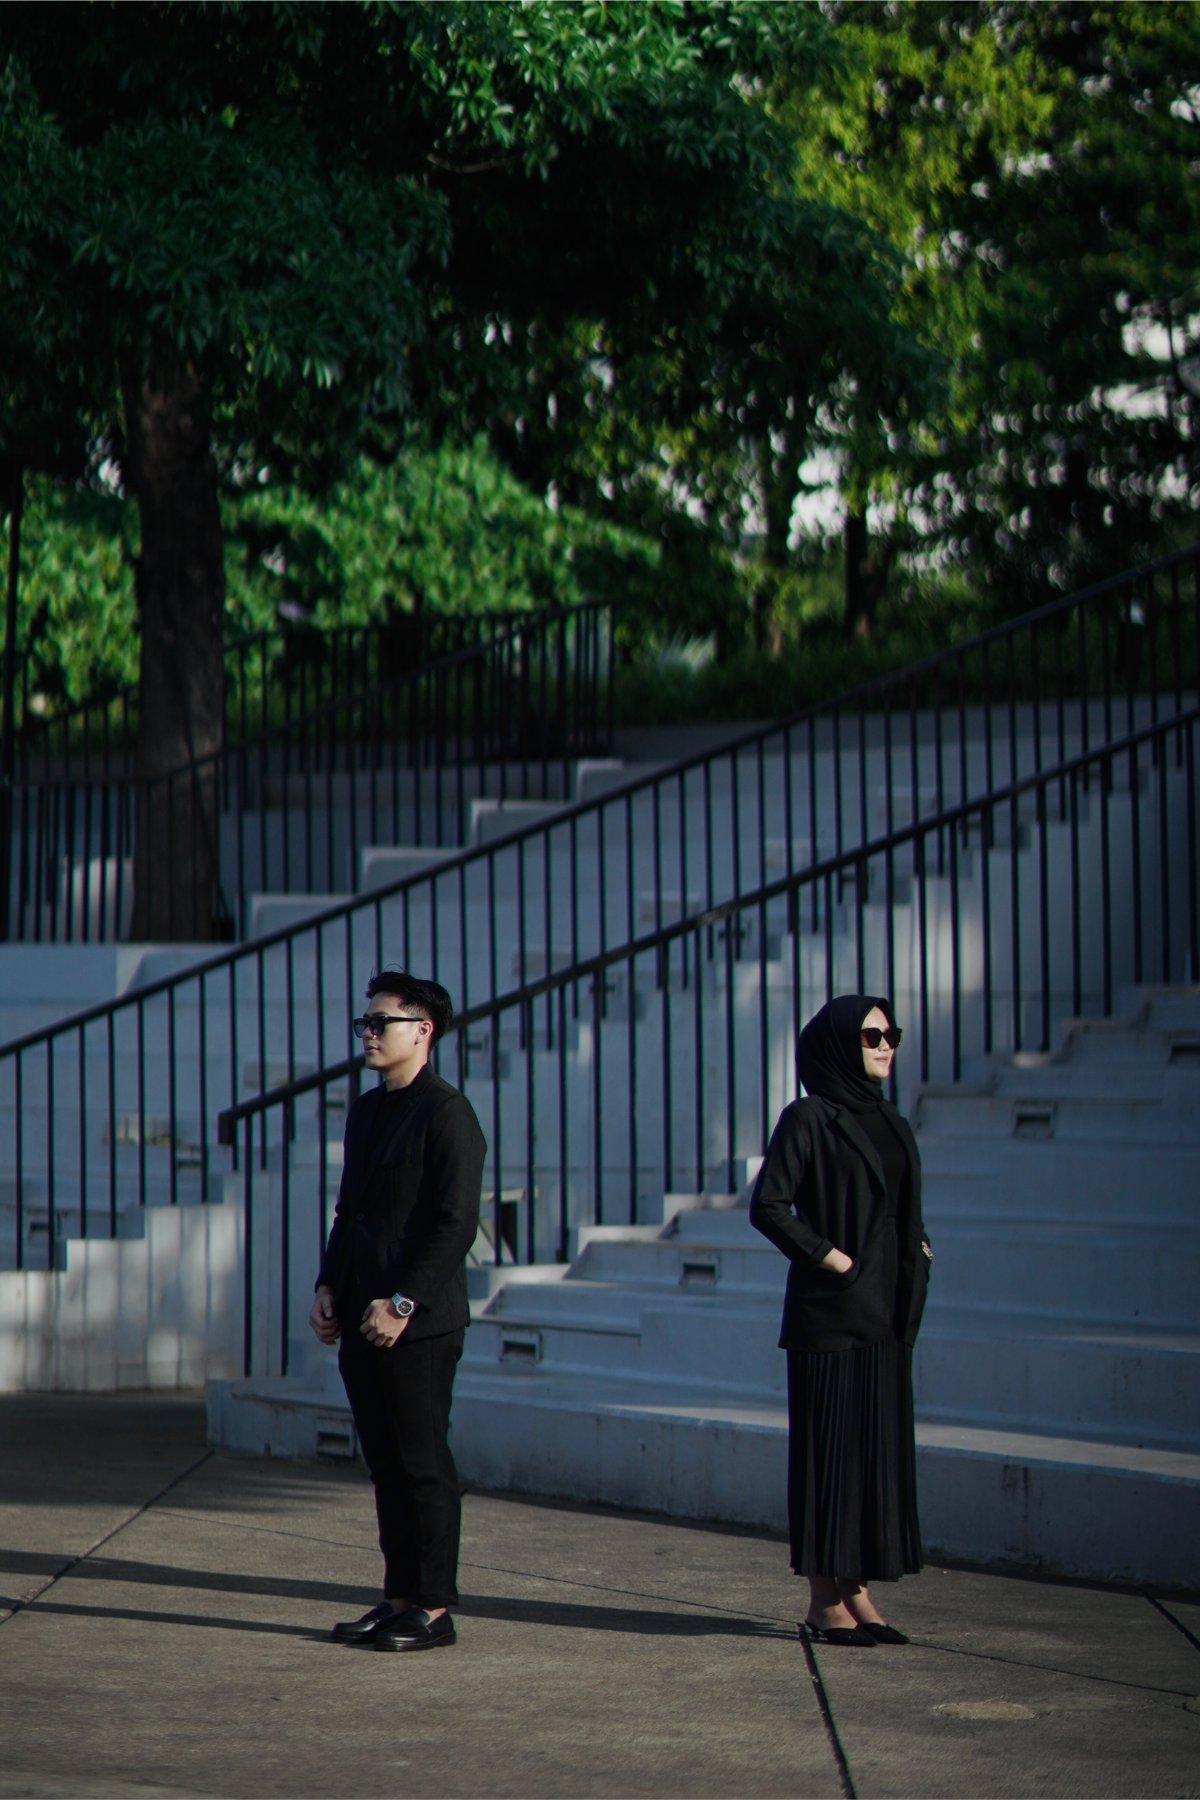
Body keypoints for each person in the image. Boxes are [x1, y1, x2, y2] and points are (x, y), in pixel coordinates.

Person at [309, 970, 485, 1652]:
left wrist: (403, 1303)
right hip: (362, 1316)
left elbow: (455, 1224)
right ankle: (400, 1597)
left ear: (423, 1031)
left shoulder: (448, 1114)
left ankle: (435, 1609)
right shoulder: (365, 1111)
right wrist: (329, 1285)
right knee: (384, 1465)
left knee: (422, 1464)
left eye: (382, 1023)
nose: (369, 1034)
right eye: (366, 1023)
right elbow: (349, 1212)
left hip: (419, 1324)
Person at [749, 993, 932, 1647]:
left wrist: (919, 1251)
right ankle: (823, 1598)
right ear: (837, 1046)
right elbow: (769, 1205)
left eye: (891, 1034)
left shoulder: (891, 1120)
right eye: (871, 1036)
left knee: (872, 1459)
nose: (886, 1046)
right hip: (830, 1315)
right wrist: (831, 1257)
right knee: (829, 1459)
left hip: (888, 1312)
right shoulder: (808, 1117)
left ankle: (857, 1589)